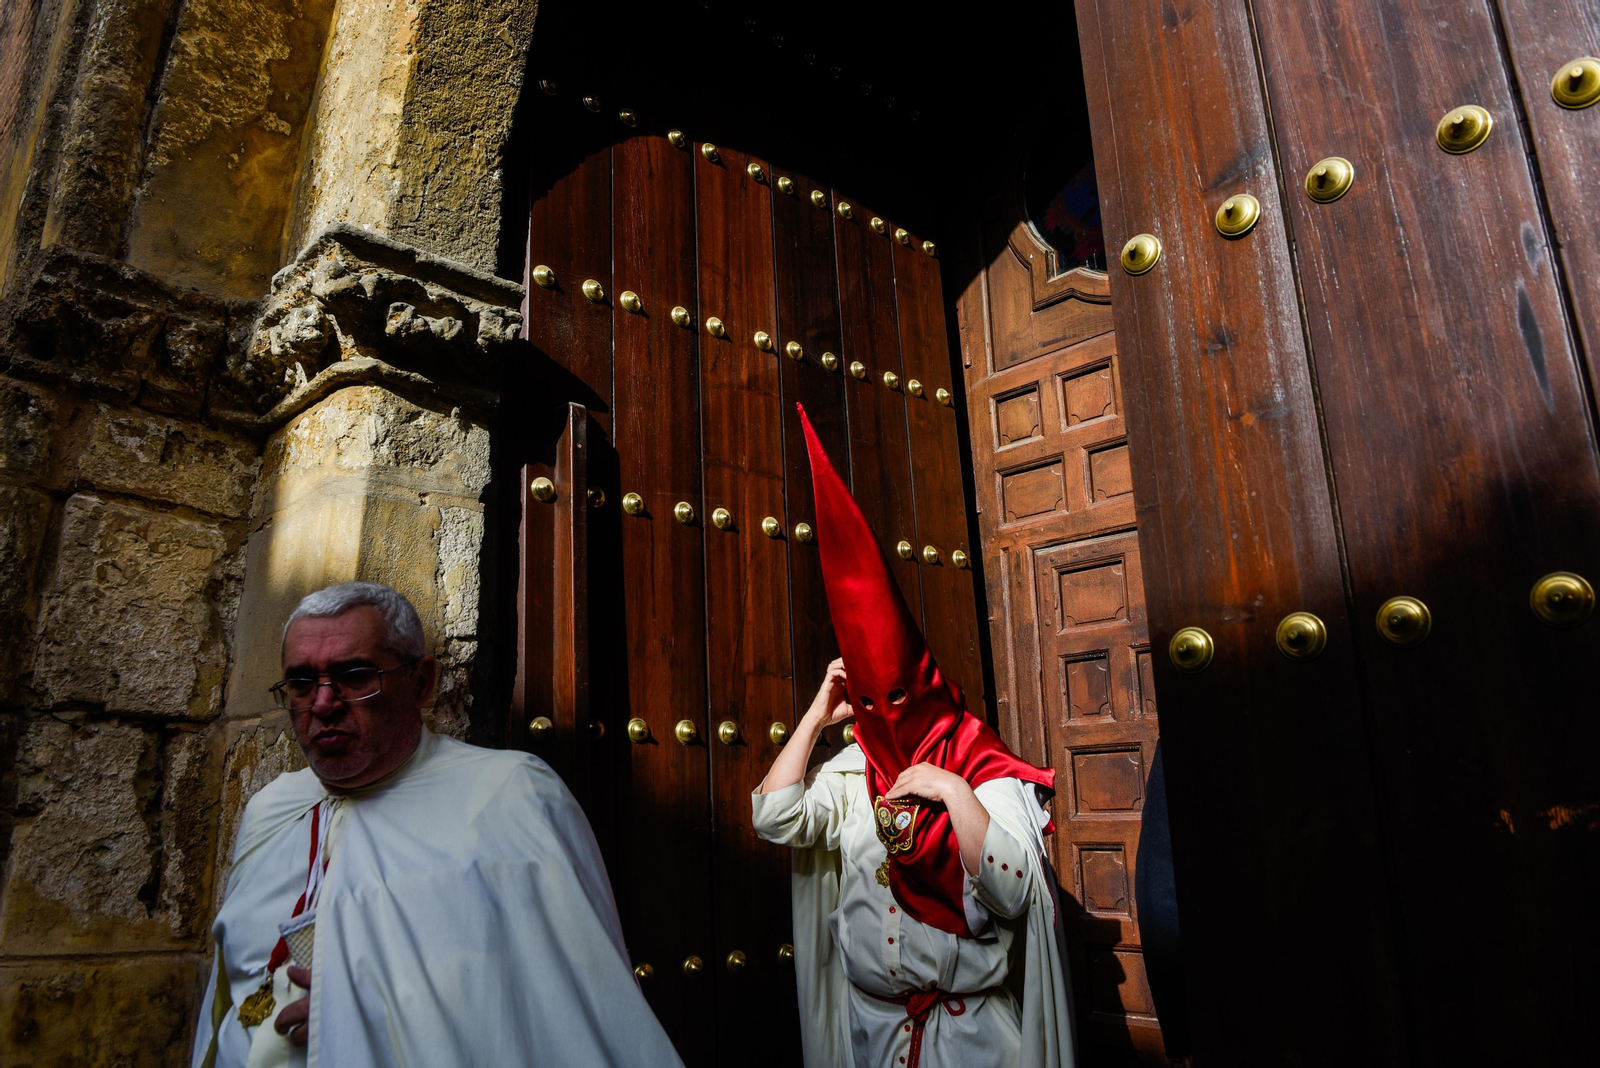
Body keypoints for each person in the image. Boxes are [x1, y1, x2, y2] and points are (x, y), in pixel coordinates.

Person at [191, 582, 682, 1068]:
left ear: (421, 683)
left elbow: (561, 1004)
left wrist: (367, 1012)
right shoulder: (269, 810)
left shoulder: (510, 795)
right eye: (301, 683)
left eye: (355, 675)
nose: (322, 703)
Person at [751, 407, 1077, 1068]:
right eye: (871, 702)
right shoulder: (851, 772)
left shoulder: (981, 766)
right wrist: (819, 714)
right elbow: (773, 817)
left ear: (924, 687)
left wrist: (953, 790)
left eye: (897, 696)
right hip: (872, 1036)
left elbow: (1014, 893)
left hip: (971, 1042)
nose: (885, 713)